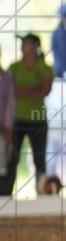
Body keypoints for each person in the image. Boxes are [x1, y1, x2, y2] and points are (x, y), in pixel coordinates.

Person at [1, 35, 54, 196]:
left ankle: (43, 194)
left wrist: (21, 89)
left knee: (39, 159)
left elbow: (44, 91)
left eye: (27, 43)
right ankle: (6, 194)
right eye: (23, 43)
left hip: (37, 120)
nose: (24, 46)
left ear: (36, 45)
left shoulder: (45, 68)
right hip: (17, 120)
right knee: (11, 160)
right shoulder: (14, 67)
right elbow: (11, 90)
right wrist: (32, 89)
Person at [0, 49, 13, 180]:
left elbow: (9, 103)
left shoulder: (5, 77)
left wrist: (8, 126)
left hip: (2, 129)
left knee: (2, 166)